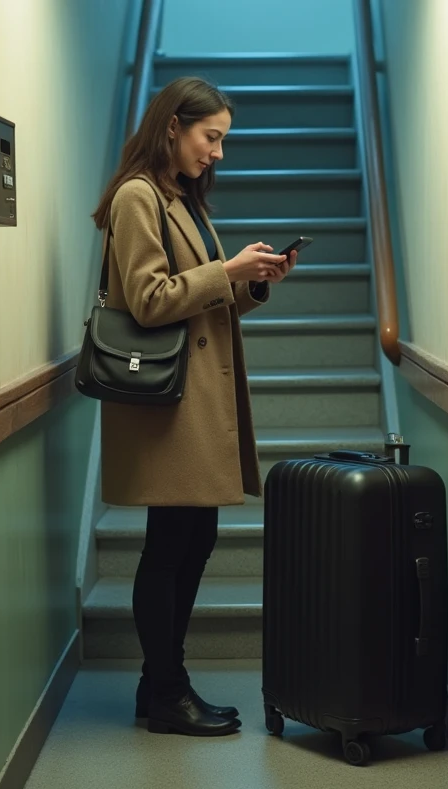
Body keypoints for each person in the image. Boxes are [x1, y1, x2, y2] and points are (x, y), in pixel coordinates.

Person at [90, 77, 297, 737]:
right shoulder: (136, 197)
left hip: (191, 400)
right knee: (171, 543)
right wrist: (227, 272)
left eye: (222, 141)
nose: (218, 153)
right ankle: (167, 692)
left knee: (192, 538)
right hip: (166, 405)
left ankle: (161, 688)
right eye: (213, 138)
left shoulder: (178, 198)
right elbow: (149, 300)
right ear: (174, 126)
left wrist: (250, 282)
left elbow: (195, 294)